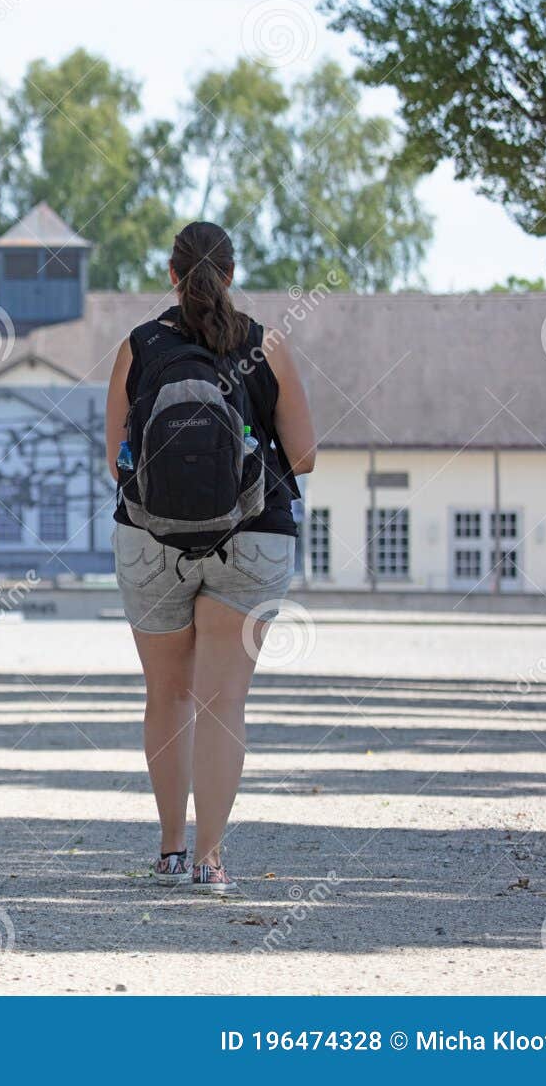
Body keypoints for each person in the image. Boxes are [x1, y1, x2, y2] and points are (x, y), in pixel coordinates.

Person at [105, 221, 317, 895]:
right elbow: (306, 454)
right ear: (229, 274)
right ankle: (210, 859)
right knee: (224, 701)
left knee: (166, 695)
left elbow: (116, 460)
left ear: (171, 274)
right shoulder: (266, 344)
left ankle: (168, 852)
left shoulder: (138, 347)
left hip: (151, 539)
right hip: (254, 537)